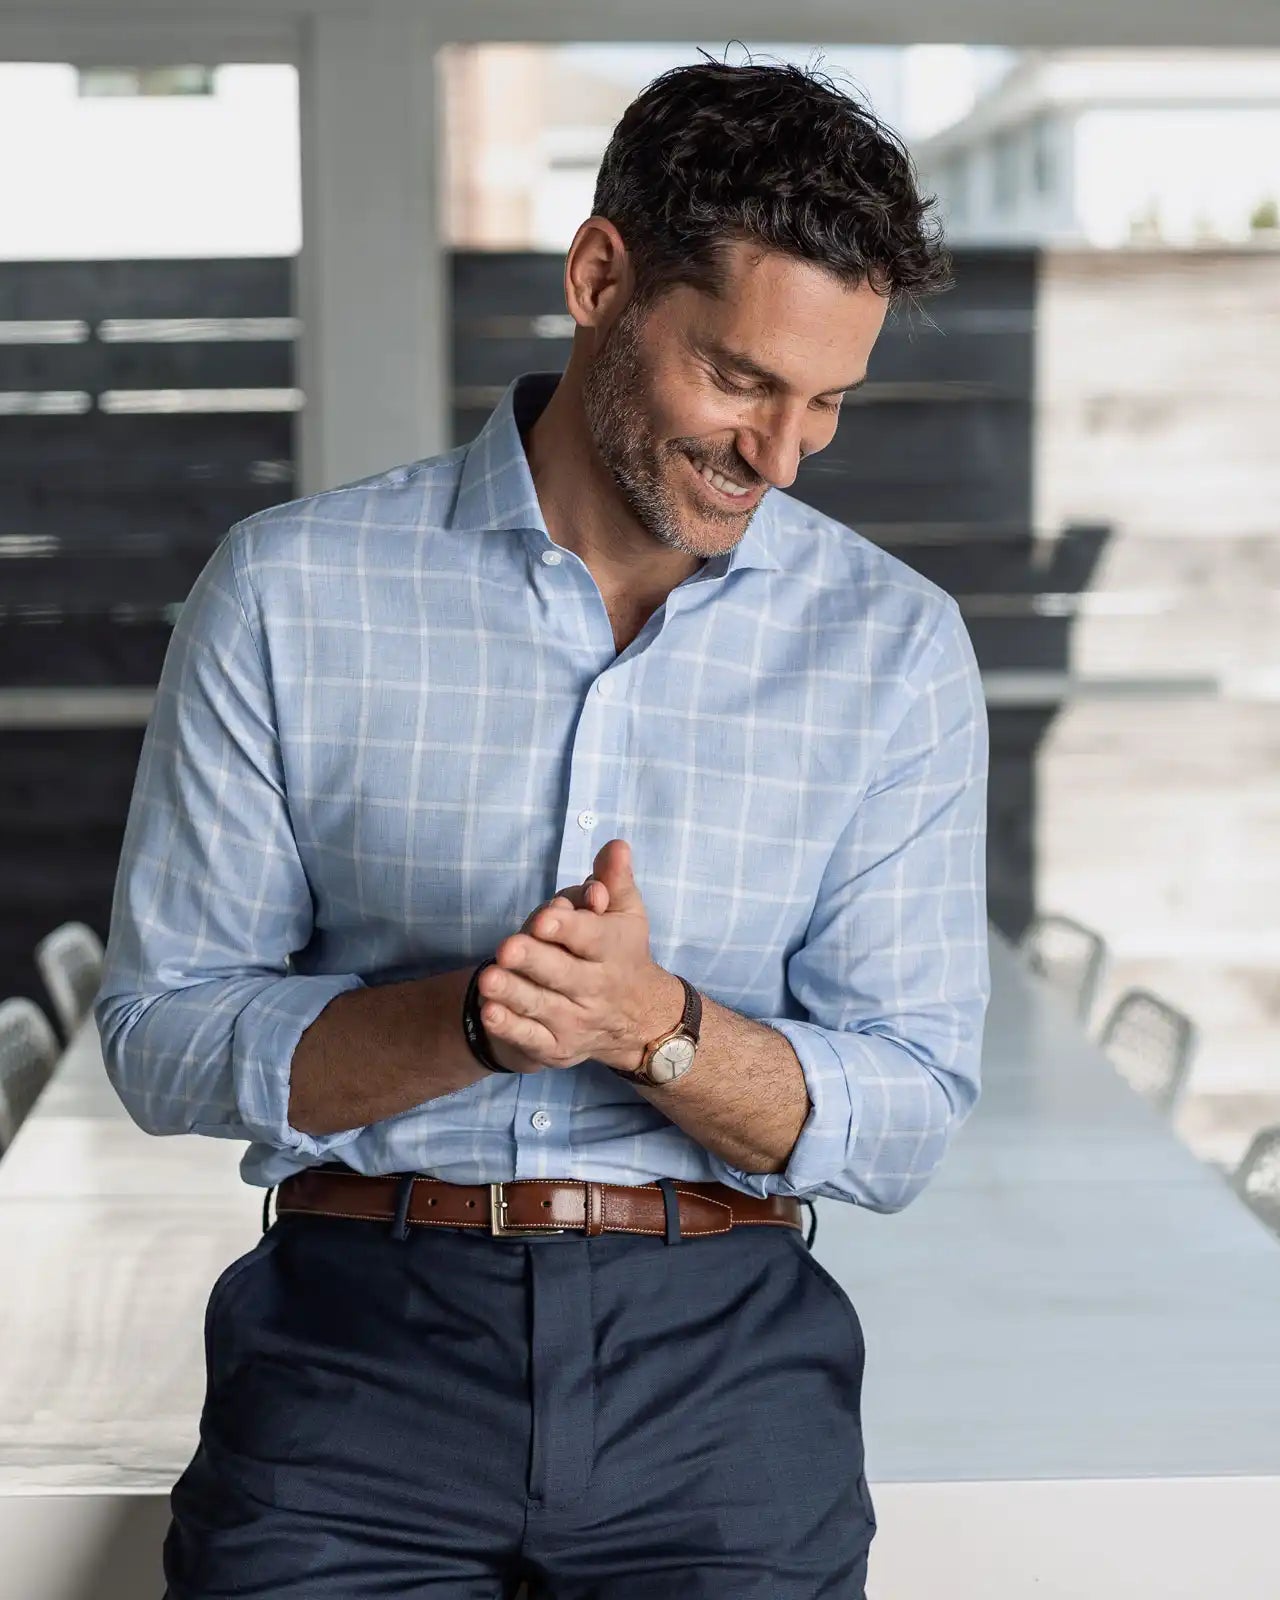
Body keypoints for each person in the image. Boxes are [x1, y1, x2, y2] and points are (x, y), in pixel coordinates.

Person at [94, 53, 990, 1600]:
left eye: (826, 403)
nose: (780, 456)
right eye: (741, 380)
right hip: (354, 1352)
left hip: (721, 1376)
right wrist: (475, 1024)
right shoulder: (293, 591)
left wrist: (654, 1030)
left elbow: (909, 1108)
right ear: (601, 279)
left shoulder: (895, 647)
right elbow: (162, 1032)